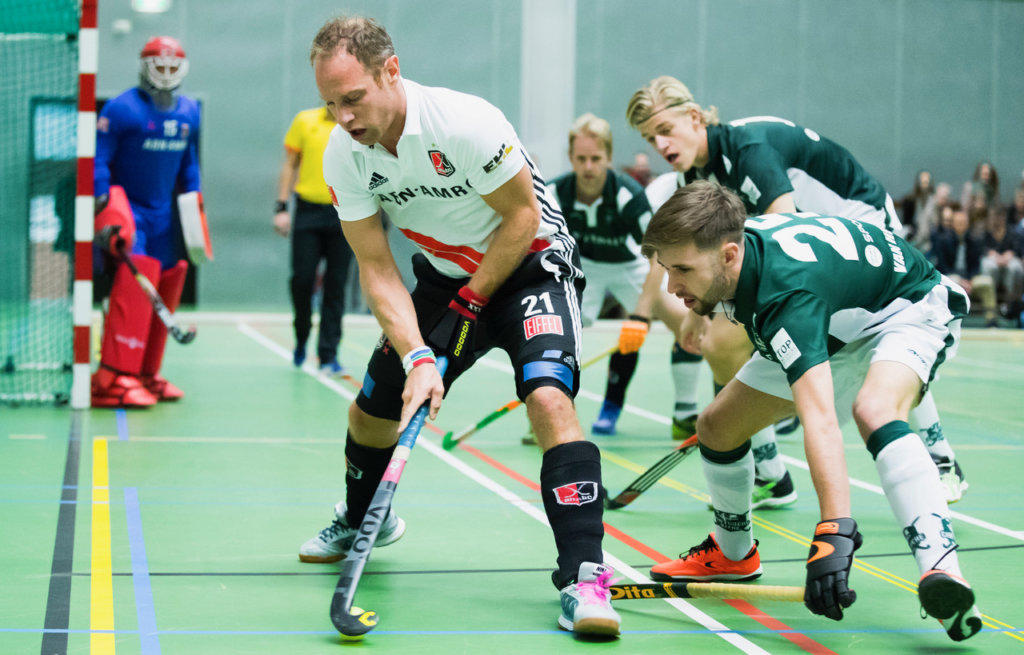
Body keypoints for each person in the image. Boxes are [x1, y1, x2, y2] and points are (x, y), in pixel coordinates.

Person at [297, 17, 619, 637]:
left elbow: (522, 219)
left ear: (391, 70)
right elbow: (375, 264)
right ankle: (368, 518)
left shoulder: (465, 124)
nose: (343, 117)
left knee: (549, 398)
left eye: (353, 98)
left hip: (532, 264)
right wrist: (419, 356)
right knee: (371, 411)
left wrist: (469, 308)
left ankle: (585, 577)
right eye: (329, 104)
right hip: (445, 279)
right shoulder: (345, 154)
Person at [643, 180, 982, 642]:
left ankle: (943, 572)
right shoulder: (735, 245)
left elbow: (820, 418)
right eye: (666, 268)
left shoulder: (788, 298)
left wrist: (834, 531)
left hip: (909, 309)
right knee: (717, 427)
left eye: (681, 269)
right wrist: (693, 309)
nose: (671, 284)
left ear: (728, 255)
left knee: (875, 409)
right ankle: (733, 552)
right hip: (840, 318)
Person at [626, 76, 968, 506]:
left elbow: (783, 233)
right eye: (648, 137)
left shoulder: (748, 151)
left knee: (884, 342)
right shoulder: (695, 174)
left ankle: (940, 459)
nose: (659, 144)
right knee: (721, 346)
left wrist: (726, 319)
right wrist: (698, 314)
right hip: (813, 245)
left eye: (665, 130)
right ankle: (770, 473)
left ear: (694, 117)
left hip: (862, 228)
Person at [545, 113, 700, 438]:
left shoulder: (628, 194)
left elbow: (658, 252)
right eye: (581, 158)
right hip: (582, 266)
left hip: (632, 266)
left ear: (609, 158)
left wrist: (641, 314)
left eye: (596, 159)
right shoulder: (555, 192)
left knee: (688, 324)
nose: (588, 167)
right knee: (552, 332)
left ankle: (685, 412)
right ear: (571, 157)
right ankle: (551, 411)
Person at [91, 36, 201, 407]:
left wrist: (195, 203)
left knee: (168, 282)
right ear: (145, 67)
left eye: (173, 66)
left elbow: (189, 164)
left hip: (165, 217)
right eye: (160, 66)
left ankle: (145, 373)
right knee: (134, 287)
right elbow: (98, 161)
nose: (167, 73)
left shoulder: (189, 111)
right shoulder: (120, 109)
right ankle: (113, 375)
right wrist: (104, 207)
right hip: (129, 213)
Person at [274, 106, 354, 376]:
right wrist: (281, 207)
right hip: (307, 212)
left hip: (344, 213)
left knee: (336, 284)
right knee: (302, 280)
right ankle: (301, 337)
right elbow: (290, 164)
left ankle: (328, 354)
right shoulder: (305, 120)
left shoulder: (354, 125)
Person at [934, 207, 998, 327]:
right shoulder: (943, 240)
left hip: (970, 279)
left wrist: (970, 279)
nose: (961, 226)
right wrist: (961, 280)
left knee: (987, 282)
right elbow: (943, 266)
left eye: (964, 223)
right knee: (953, 280)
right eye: (958, 223)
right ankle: (948, 319)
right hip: (952, 278)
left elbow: (975, 265)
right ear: (952, 224)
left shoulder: (974, 240)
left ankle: (991, 320)